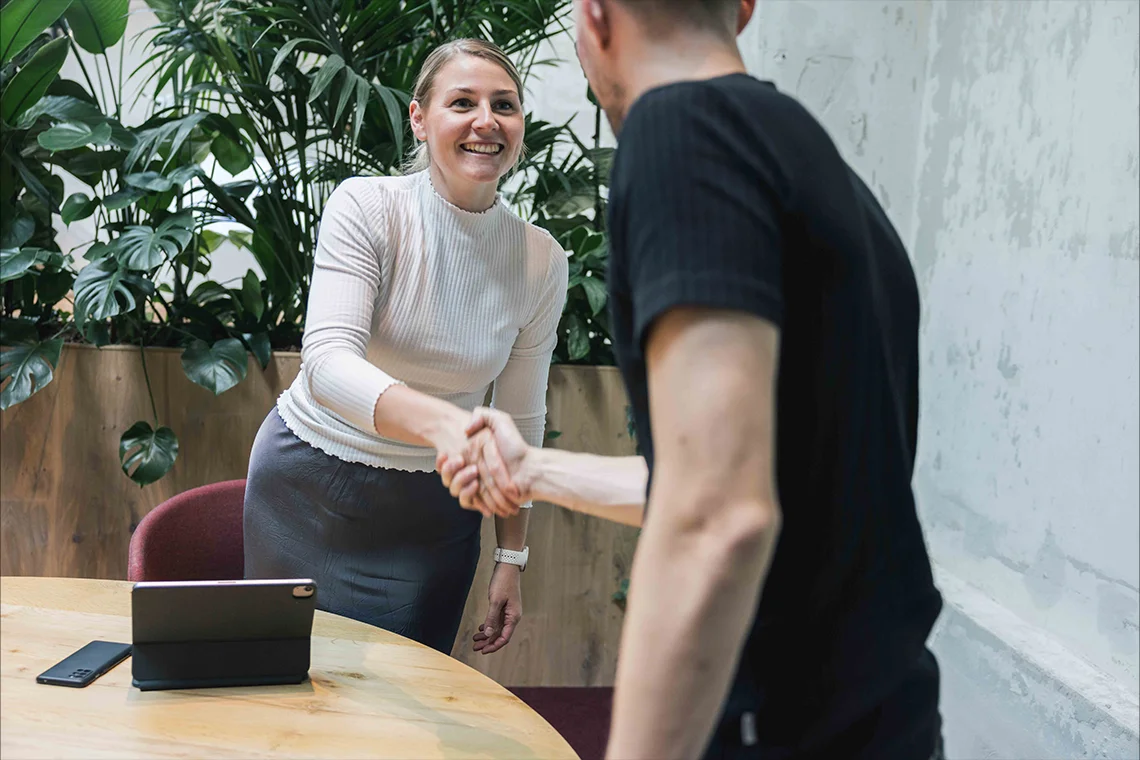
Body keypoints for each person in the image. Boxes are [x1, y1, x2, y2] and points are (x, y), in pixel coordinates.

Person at [439, 0, 946, 756]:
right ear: (742, 9)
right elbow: (756, 477)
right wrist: (534, 468)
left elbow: (717, 514)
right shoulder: (812, 159)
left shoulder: (683, 135)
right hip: (883, 719)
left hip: (783, 727)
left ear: (597, 17)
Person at [243, 38, 569, 657]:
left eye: (505, 105)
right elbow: (328, 365)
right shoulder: (367, 206)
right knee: (282, 691)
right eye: (462, 102)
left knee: (407, 705)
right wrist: (450, 425)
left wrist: (512, 554)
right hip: (309, 487)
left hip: (434, 515)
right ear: (420, 119)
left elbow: (522, 420)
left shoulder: (541, 260)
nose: (486, 121)